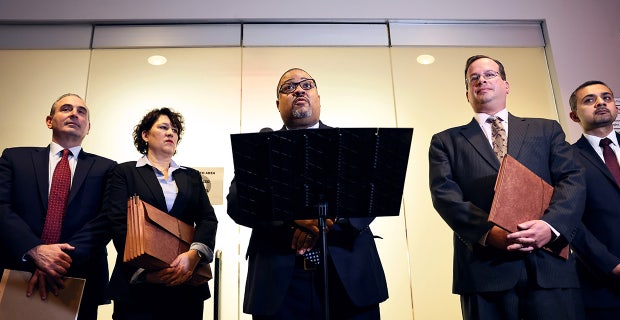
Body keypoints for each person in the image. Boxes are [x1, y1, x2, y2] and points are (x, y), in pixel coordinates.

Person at [428, 55, 586, 320]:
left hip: (550, 267)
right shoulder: (446, 141)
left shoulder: (546, 129)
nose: (481, 80)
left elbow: (572, 180)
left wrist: (550, 227)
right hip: (484, 270)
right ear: (467, 92)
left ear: (506, 84)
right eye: (473, 78)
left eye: (490, 74)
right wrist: (490, 233)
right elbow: (445, 197)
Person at [226, 68, 388, 319]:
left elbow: (372, 196)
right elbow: (237, 202)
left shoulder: (350, 143)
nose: (299, 90)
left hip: (348, 274)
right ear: (278, 103)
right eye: (288, 87)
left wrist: (330, 222)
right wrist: (291, 220)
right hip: (279, 282)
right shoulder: (262, 144)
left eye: (306, 85)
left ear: (318, 97)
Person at [81, 107, 218, 320]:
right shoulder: (124, 172)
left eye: (174, 130)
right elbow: (117, 221)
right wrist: (146, 271)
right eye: (163, 127)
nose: (171, 133)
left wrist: (193, 256)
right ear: (145, 135)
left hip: (186, 284)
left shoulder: (191, 176)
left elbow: (207, 219)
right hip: (137, 286)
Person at [0, 93, 116, 320]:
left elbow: (107, 219)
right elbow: (1, 207)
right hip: (16, 271)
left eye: (81, 111)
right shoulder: (14, 158)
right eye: (66, 108)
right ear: (49, 120)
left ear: (88, 127)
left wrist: (57, 259)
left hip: (78, 277)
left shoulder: (108, 168)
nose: (74, 113)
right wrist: (35, 250)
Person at [568, 80, 620, 319]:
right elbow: (569, 221)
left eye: (606, 97)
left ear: (616, 108)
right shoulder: (565, 159)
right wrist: (610, 264)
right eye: (589, 100)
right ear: (574, 115)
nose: (600, 103)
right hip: (600, 288)